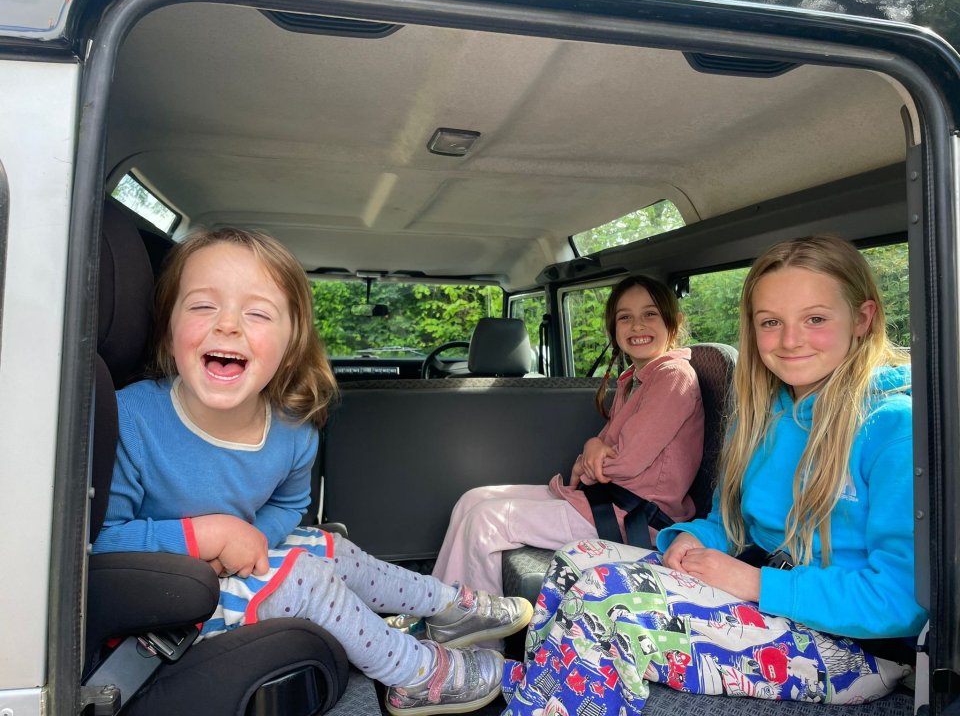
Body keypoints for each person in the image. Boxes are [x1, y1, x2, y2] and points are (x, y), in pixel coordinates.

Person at [91, 227, 534, 716]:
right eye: (202, 306)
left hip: (225, 573)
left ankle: (447, 608)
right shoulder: (130, 419)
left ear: (290, 341)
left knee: (328, 547)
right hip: (161, 603)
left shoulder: (292, 428)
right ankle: (417, 676)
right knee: (305, 575)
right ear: (168, 324)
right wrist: (206, 537)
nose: (228, 326)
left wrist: (250, 539)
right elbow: (96, 545)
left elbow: (289, 506)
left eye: (257, 313)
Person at [502, 235, 927, 716]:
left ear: (863, 318)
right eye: (771, 322)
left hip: (854, 646)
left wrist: (755, 584)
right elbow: (732, 522)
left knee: (608, 602)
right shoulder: (764, 414)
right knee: (576, 558)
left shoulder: (892, 428)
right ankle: (537, 697)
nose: (790, 340)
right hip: (769, 595)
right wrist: (689, 538)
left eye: (815, 319)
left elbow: (903, 600)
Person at [430, 275, 704, 596]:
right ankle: (438, 603)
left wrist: (591, 455)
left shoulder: (673, 377)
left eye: (650, 314)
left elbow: (623, 464)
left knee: (485, 521)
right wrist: (593, 448)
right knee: (473, 499)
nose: (636, 326)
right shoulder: (634, 379)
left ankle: (470, 629)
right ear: (614, 329)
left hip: (636, 517)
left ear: (675, 322)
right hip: (605, 500)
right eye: (625, 317)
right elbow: (604, 451)